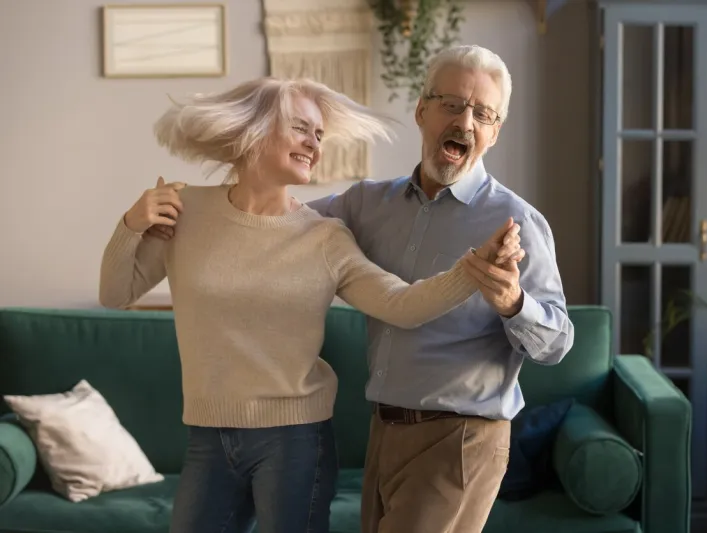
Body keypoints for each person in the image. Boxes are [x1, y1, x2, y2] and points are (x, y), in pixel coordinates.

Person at [99, 77, 524, 533]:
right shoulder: (185, 210)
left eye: (319, 135)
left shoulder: (323, 236)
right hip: (208, 438)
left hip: (294, 442)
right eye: (301, 128)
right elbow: (116, 293)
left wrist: (474, 270)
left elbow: (400, 304)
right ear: (254, 127)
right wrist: (131, 224)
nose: (314, 144)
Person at [308, 45, 575, 533]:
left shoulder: (517, 221)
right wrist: (194, 208)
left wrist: (513, 304)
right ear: (421, 111)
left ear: (494, 132)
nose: (465, 122)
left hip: (461, 438)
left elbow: (558, 343)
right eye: (451, 104)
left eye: (483, 114)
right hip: (384, 430)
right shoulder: (367, 204)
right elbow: (281, 227)